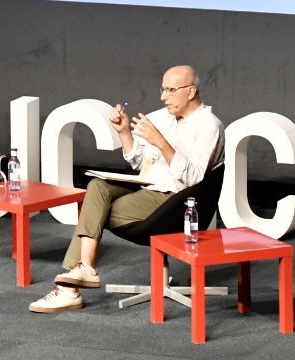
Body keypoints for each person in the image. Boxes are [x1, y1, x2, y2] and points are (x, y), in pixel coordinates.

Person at [29, 64, 224, 313]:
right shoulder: (162, 117)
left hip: (174, 201)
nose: (163, 97)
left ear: (191, 91)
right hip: (147, 187)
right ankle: (84, 268)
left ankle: (69, 289)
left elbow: (193, 179)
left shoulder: (209, 126)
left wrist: (161, 141)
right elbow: (140, 162)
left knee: (96, 210)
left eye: (171, 90)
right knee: (97, 187)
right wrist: (124, 133)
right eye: (162, 90)